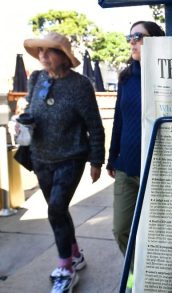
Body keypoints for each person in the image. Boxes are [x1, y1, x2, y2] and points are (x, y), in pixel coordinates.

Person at [21, 32, 105, 293]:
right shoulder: (36, 78)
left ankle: (65, 269)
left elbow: (94, 125)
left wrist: (96, 160)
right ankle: (75, 254)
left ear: (64, 56)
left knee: (56, 208)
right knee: (58, 211)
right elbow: (30, 111)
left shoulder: (80, 85)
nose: (43, 56)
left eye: (50, 51)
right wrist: (23, 121)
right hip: (40, 156)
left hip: (71, 156)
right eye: (40, 52)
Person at [106, 21, 165, 280]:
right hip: (126, 167)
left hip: (157, 168)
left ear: (156, 40)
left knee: (156, 233)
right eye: (130, 36)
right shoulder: (126, 78)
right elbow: (119, 119)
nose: (132, 41)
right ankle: (136, 276)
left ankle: (153, 279)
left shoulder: (167, 75)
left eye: (138, 36)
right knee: (121, 229)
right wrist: (112, 157)